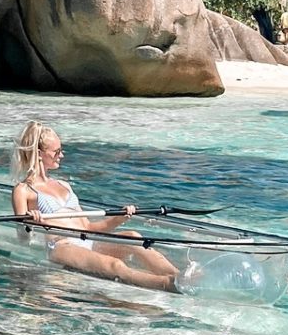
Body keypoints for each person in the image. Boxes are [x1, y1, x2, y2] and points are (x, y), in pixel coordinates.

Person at [10, 122, 181, 293]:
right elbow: (22, 238)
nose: (61, 155)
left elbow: (89, 227)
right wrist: (31, 223)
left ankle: (178, 276)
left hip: (87, 240)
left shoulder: (64, 185)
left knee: (133, 237)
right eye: (57, 151)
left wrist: (119, 218)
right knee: (114, 265)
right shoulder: (23, 190)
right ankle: (166, 284)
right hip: (61, 246)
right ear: (39, 154)